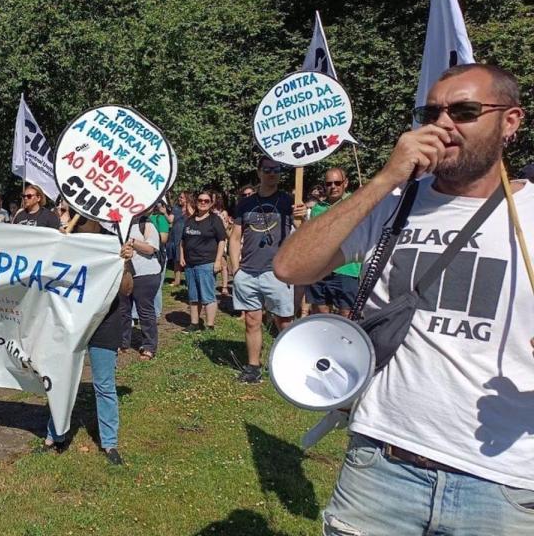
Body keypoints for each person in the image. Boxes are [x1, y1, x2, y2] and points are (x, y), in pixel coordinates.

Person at [275, 64, 533, 534]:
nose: (443, 123)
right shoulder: (395, 204)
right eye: (430, 112)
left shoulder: (529, 216)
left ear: (510, 121)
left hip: (501, 485)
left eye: (465, 111)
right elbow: (291, 267)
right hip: (383, 464)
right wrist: (384, 179)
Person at [42, 223, 134, 465]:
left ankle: (110, 443)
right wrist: (56, 244)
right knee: (61, 381)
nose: (83, 222)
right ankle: (55, 435)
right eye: (80, 219)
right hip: (71, 325)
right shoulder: (67, 243)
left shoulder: (114, 245)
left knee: (104, 384)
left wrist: (124, 263)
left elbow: (126, 289)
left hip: (105, 324)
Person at [228, 156, 295, 383]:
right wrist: (236, 269)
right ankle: (253, 367)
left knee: (284, 320)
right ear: (259, 173)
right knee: (252, 321)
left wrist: (301, 217)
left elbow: (304, 234)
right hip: (248, 271)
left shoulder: (288, 201)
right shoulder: (246, 203)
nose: (272, 173)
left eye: (276, 169)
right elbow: (235, 237)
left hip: (276, 271)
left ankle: (290, 363)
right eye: (267, 169)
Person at [295, 168, 360, 317]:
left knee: (347, 314)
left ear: (346, 183)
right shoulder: (318, 208)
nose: (333, 186)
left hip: (347, 268)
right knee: (321, 313)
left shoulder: (356, 202)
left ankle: (346, 340)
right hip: (321, 269)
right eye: (329, 183)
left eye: (337, 183)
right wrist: (300, 221)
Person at [180, 192, 227, 331]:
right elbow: (183, 240)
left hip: (206, 263)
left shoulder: (215, 220)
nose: (203, 202)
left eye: (206, 201)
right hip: (190, 264)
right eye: (200, 200)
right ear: (196, 201)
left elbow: (222, 241)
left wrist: (218, 261)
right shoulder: (190, 220)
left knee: (207, 296)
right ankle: (194, 323)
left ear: (211, 203)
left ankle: (210, 325)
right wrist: (182, 256)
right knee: (193, 296)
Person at [120, 216, 161, 359]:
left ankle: (149, 346)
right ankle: (123, 342)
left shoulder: (145, 223)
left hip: (146, 273)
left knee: (145, 310)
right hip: (123, 274)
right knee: (123, 309)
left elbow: (150, 249)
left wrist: (131, 242)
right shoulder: (115, 224)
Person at [212, 190, 233, 297]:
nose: (212, 199)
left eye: (214, 197)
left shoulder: (223, 212)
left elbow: (226, 226)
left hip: (221, 239)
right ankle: (212, 285)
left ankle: (224, 286)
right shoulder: (209, 211)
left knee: (223, 263)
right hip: (211, 240)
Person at [165, 192, 188, 287]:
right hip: (176, 235)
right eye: (179, 197)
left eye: (182, 197)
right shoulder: (175, 208)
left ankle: (189, 280)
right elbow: (170, 220)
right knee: (176, 259)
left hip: (186, 236)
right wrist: (164, 213)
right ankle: (177, 281)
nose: (180, 199)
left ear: (187, 199)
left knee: (187, 259)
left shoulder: (191, 209)